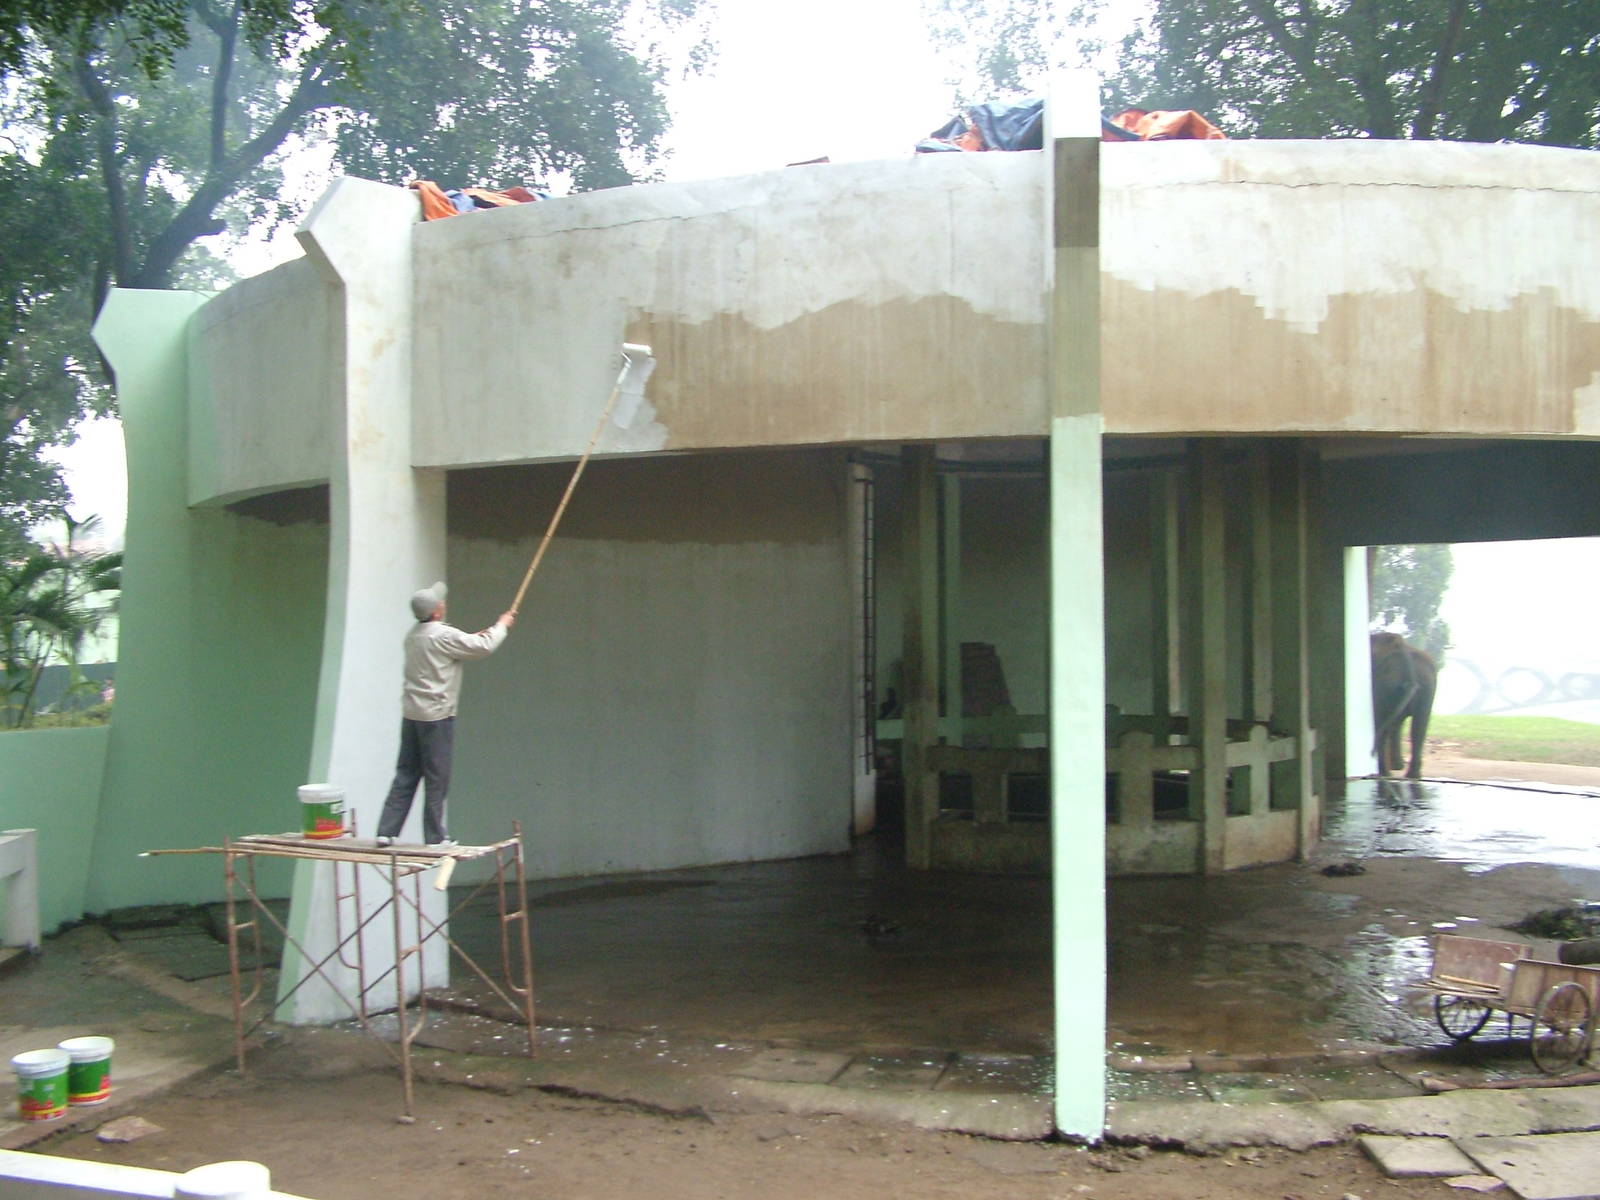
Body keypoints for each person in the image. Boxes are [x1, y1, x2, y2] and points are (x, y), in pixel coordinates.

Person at [375, 580, 515, 847]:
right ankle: (436, 837)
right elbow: (482, 647)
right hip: (437, 718)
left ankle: (386, 831)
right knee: (436, 778)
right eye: (441, 602)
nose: (443, 603)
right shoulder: (442, 635)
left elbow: (459, 644)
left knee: (406, 773)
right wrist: (502, 626)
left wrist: (482, 634)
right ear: (437, 611)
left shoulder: (413, 635)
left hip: (412, 715)